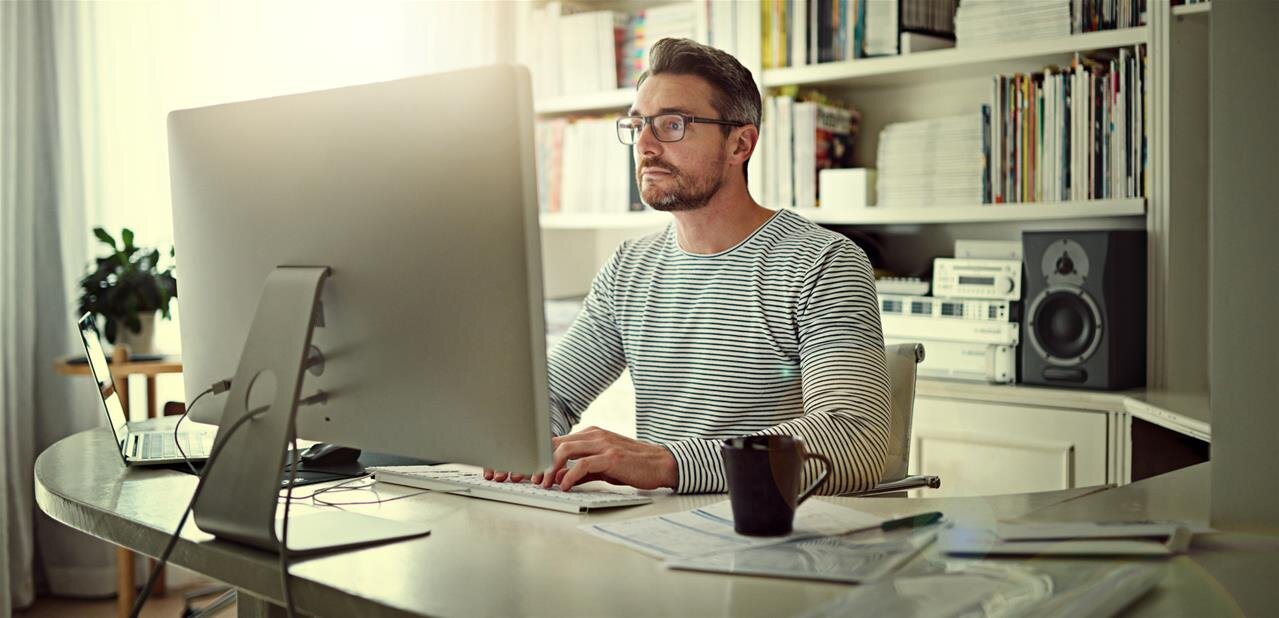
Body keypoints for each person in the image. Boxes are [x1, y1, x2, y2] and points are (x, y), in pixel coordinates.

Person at [487, 38, 891, 495]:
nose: (644, 145)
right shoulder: (629, 268)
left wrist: (668, 463)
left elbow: (857, 440)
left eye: (671, 125)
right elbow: (550, 396)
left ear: (741, 143)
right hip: (655, 536)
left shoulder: (822, 263)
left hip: (772, 539)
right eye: (638, 124)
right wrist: (529, 443)